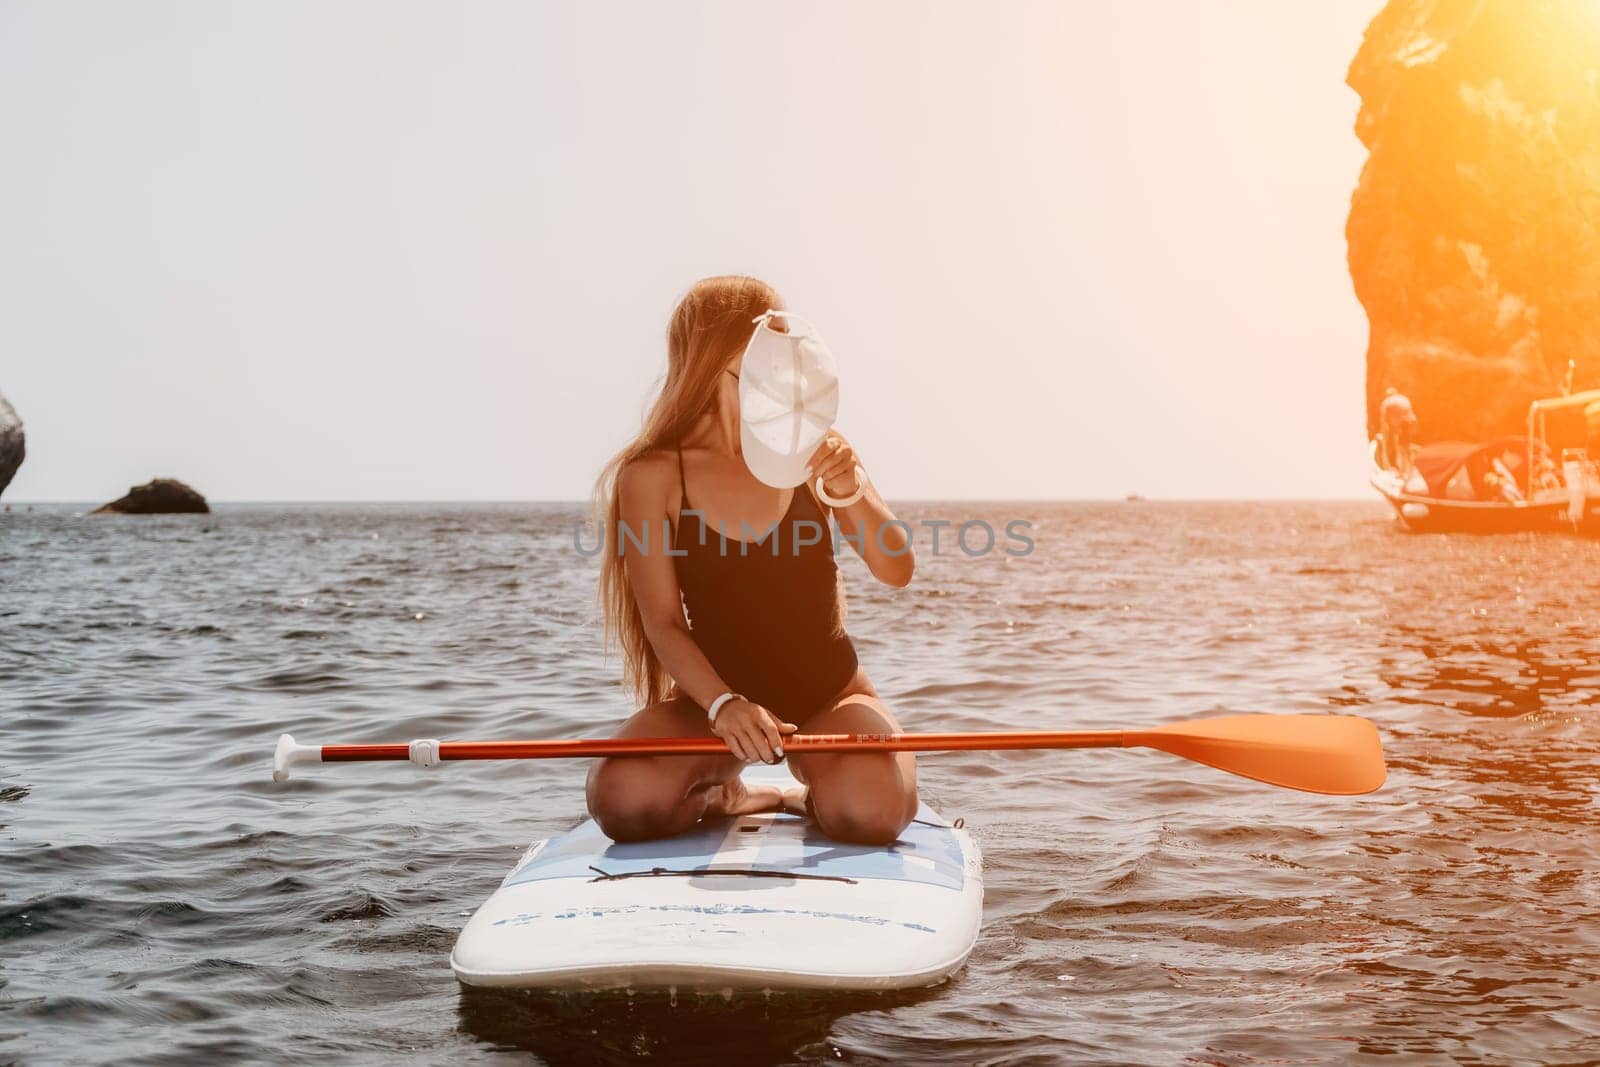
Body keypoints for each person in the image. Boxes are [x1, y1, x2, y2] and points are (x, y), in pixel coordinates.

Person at [585, 275, 918, 846]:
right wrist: (723, 704)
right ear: (713, 357)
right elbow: (662, 622)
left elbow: (896, 569)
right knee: (622, 801)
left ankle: (818, 792)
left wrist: (852, 487)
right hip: (710, 703)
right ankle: (730, 795)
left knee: (869, 814)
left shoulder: (815, 446)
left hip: (830, 696)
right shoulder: (653, 475)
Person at [1379, 387, 1418, 472]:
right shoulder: (1403, 398)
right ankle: (1410, 467)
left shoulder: (1387, 402)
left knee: (1400, 446)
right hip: (1412, 421)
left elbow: (1384, 422)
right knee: (1406, 445)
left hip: (1403, 424)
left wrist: (1384, 436)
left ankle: (1403, 470)